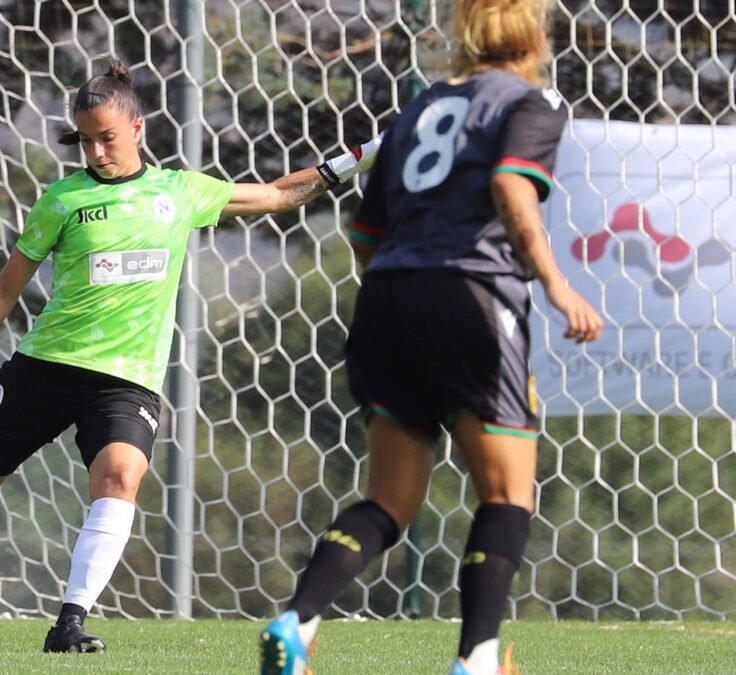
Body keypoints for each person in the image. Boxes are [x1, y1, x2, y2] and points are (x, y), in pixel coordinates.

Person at [0, 59, 381, 654]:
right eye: (86, 140)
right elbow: (7, 286)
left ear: (137, 127)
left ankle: (69, 623)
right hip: (46, 367)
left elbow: (281, 196)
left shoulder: (179, 192)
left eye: (106, 137)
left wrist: (361, 157)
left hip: (126, 380)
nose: (97, 151)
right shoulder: (63, 200)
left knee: (120, 477)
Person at [257, 0, 604, 673]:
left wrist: (401, 287)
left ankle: (297, 620)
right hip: (472, 296)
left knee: (389, 498)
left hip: (386, 297)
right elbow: (511, 184)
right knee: (507, 494)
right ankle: (477, 658)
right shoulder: (531, 103)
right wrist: (557, 284)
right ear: (533, 34)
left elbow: (363, 231)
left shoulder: (416, 111)